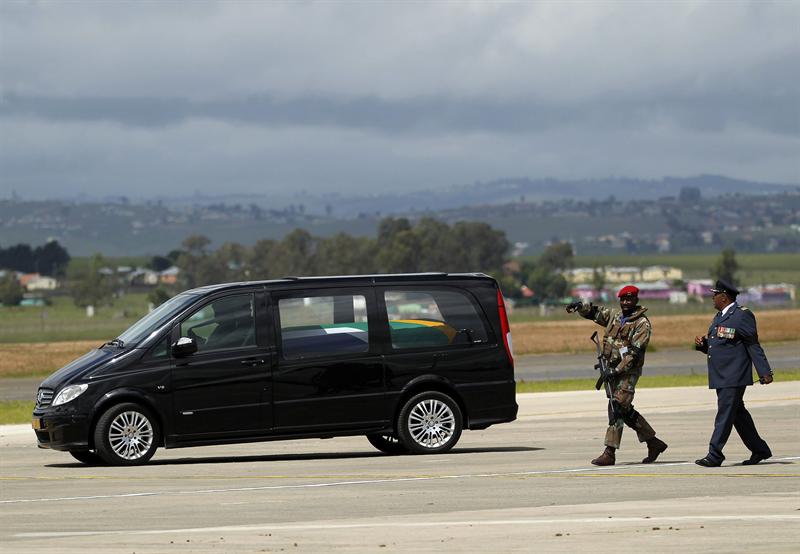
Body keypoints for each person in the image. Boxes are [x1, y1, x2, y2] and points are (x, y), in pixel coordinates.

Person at [566, 285, 668, 466]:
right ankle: (654, 443)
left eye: (629, 299)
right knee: (623, 410)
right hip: (611, 370)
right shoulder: (615, 316)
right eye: (623, 299)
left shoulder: (642, 324)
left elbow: (634, 354)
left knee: (616, 406)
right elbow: (596, 313)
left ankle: (609, 453)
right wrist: (580, 306)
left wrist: (617, 370)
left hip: (628, 372)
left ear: (636, 300)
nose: (625, 302)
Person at [694, 279, 773, 467]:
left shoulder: (741, 316)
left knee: (724, 415)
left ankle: (715, 455)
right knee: (738, 415)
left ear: (724, 296)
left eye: (715, 294)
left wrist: (764, 371)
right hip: (721, 375)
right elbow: (721, 345)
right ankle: (760, 449)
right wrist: (703, 346)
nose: (712, 297)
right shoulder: (720, 316)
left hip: (733, 375)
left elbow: (752, 345)